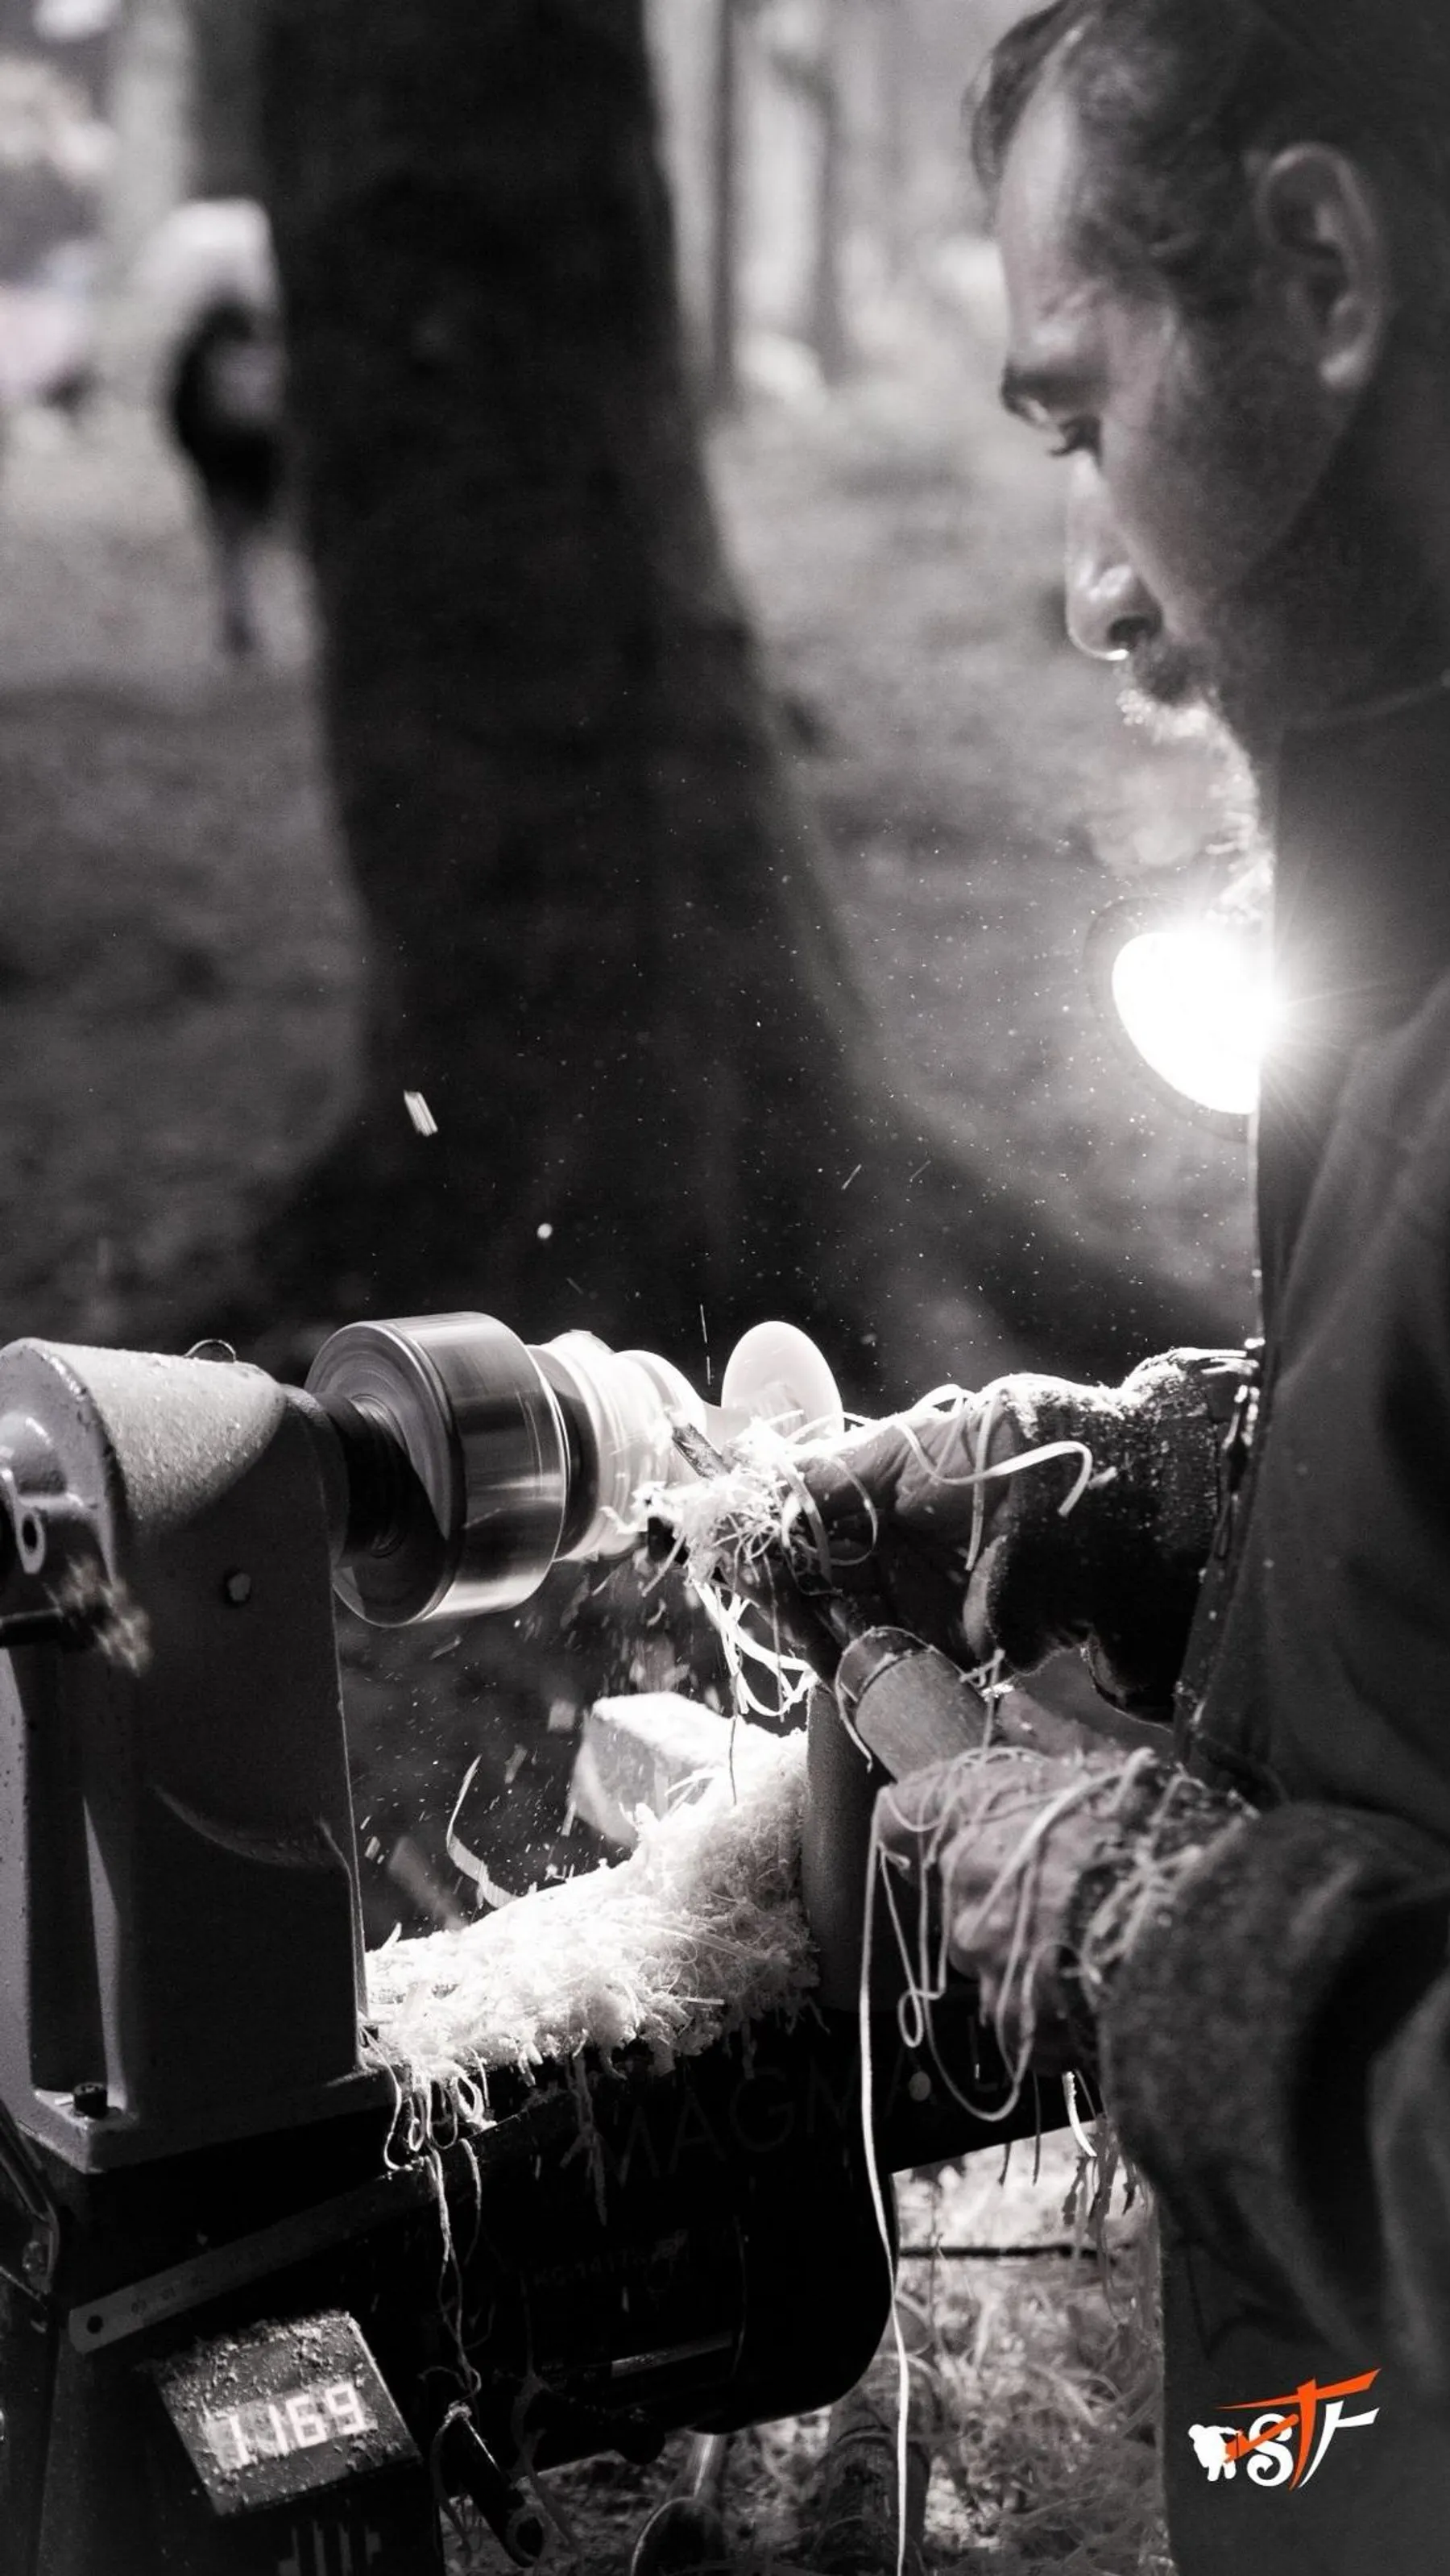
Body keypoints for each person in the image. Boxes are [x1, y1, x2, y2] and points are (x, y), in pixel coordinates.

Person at [789, 6, 1450, 2570]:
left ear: (1318, 271)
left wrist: (1146, 1909)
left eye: (1081, 417)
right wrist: (1206, 1481)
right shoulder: (1386, 923)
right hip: (1328, 2452)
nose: (1089, 587)